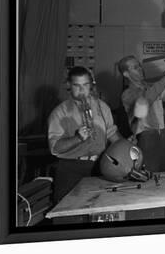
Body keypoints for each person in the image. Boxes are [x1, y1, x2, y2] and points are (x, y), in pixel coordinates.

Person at [48, 66, 122, 203]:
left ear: (91, 85)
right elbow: (55, 148)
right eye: (77, 85)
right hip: (71, 169)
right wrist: (77, 138)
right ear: (69, 85)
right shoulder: (59, 113)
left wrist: (126, 146)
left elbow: (113, 134)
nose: (82, 90)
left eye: (85, 85)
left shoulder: (102, 107)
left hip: (99, 166)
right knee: (68, 210)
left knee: (101, 207)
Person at [118, 55, 165, 172]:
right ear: (126, 74)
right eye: (135, 67)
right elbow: (147, 99)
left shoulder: (150, 87)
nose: (140, 69)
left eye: (139, 65)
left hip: (163, 135)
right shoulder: (128, 94)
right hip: (147, 138)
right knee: (150, 178)